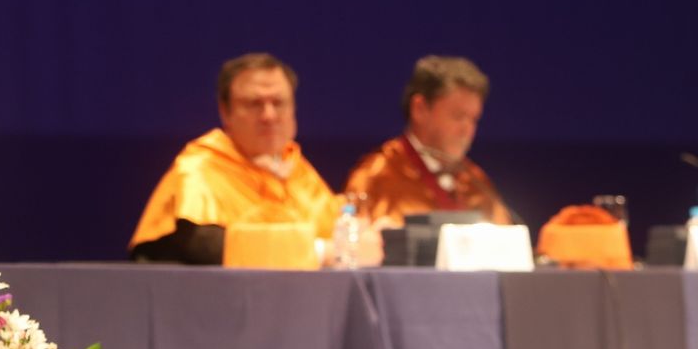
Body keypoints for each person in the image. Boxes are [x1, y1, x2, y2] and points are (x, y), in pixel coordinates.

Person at [129, 52, 340, 264]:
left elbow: (339, 234)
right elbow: (209, 249)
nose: (269, 115)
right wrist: (319, 251)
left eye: (278, 102)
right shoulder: (199, 169)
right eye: (254, 104)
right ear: (225, 111)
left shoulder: (298, 171)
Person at [344, 55, 511, 226]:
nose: (467, 130)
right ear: (419, 109)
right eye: (458, 116)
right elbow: (349, 244)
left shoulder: (477, 182)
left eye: (474, 119)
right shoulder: (376, 177)